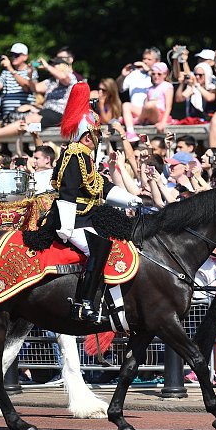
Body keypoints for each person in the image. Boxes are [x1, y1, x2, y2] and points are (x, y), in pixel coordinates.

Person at [48, 82, 141, 322]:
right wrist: (67, 226)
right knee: (99, 250)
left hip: (86, 216)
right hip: (73, 220)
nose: (97, 139)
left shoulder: (85, 157)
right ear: (88, 136)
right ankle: (84, 304)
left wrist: (131, 200)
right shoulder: (75, 155)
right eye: (96, 135)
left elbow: (100, 185)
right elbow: (68, 192)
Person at [122, 61, 173, 138]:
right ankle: (130, 131)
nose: (156, 76)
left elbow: (168, 106)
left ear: (165, 74)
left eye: (159, 74)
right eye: (153, 74)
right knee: (126, 105)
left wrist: (163, 122)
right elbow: (145, 105)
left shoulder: (167, 86)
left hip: (159, 115)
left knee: (150, 105)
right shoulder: (150, 88)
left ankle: (138, 120)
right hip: (147, 113)